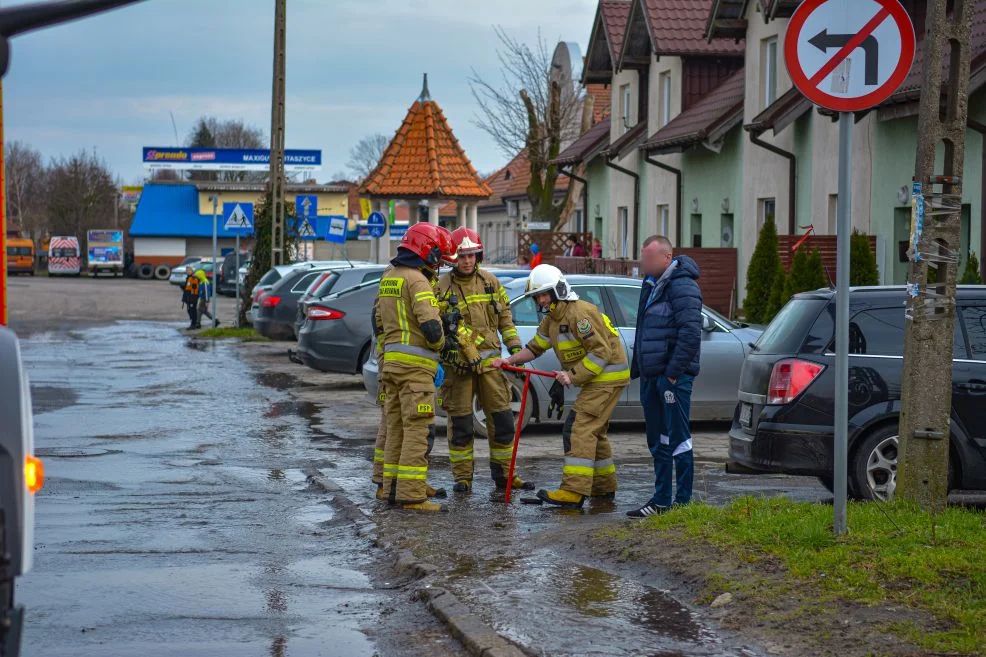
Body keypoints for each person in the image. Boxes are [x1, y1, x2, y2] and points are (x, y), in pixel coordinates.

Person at [492, 264, 629, 509]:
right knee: (594, 432)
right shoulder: (552, 319)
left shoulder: (580, 313)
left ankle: (573, 492)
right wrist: (509, 360)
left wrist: (572, 375)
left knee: (578, 428)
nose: (541, 300)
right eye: (538, 296)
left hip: (607, 378)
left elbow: (602, 351)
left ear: (558, 290)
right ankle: (603, 488)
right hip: (597, 379)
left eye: (544, 294)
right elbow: (534, 348)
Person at [437, 227, 533, 494]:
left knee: (502, 421)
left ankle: (505, 476)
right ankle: (463, 478)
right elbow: (439, 328)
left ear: (478, 256)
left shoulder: (491, 281)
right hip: (459, 369)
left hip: (492, 367)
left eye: (472, 255)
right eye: (462, 256)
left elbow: (506, 320)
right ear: (452, 258)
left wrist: (515, 350)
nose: (467, 261)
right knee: (461, 425)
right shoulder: (441, 287)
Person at [374, 223, 457, 512]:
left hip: (393, 365)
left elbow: (378, 322)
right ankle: (412, 496)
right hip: (415, 369)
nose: (440, 263)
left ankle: (391, 488)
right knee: (417, 430)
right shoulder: (418, 281)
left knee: (395, 427)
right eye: (439, 256)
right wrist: (444, 341)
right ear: (427, 250)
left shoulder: (390, 277)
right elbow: (432, 329)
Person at [626, 236, 703, 518]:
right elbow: (643, 329)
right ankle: (660, 502)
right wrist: (640, 370)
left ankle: (683, 504)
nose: (643, 264)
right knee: (658, 440)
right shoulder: (650, 284)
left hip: (672, 378)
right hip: (651, 376)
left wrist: (672, 373)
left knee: (679, 439)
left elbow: (691, 333)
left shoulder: (683, 286)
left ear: (667, 257)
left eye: (648, 259)